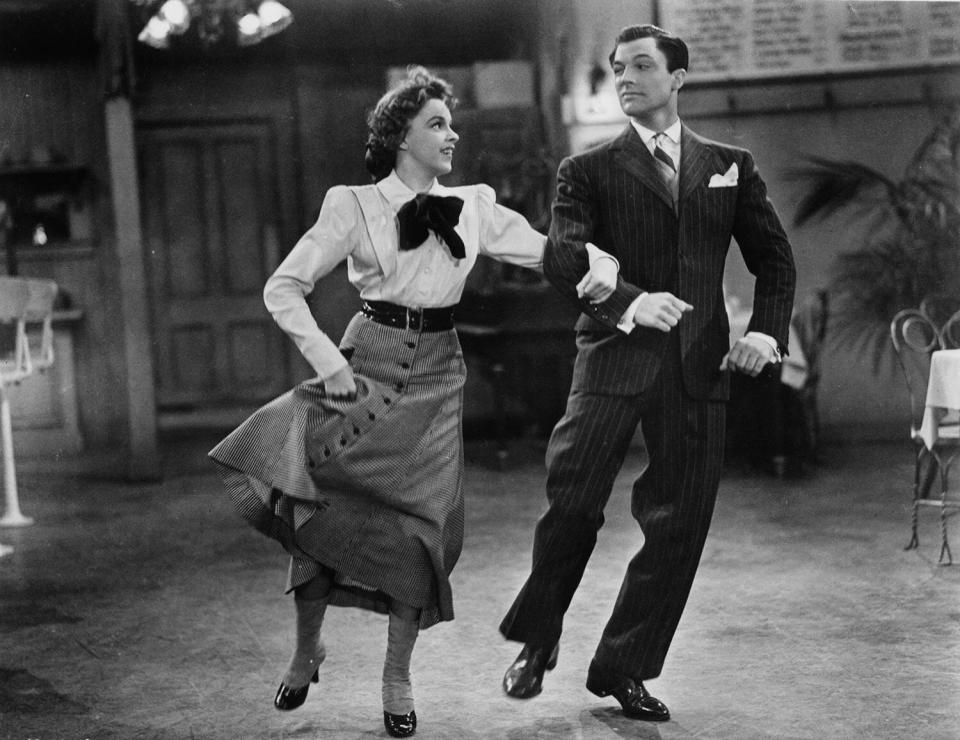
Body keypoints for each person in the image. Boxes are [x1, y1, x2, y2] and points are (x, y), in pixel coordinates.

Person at [208, 66, 619, 738]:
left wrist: (604, 267)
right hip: (363, 366)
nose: (452, 134)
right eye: (437, 123)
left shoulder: (474, 206)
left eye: (451, 124)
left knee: (422, 532)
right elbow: (282, 288)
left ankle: (396, 677)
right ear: (400, 135)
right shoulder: (352, 205)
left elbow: (552, 254)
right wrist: (328, 362)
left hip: (436, 379)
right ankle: (305, 649)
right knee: (317, 509)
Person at [498, 24, 796, 721]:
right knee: (572, 506)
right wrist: (632, 301)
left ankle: (624, 666)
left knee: (679, 526)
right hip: (610, 359)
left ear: (679, 77)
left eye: (639, 65)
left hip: (698, 372)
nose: (624, 77)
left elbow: (775, 262)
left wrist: (763, 333)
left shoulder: (731, 165)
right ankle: (537, 641)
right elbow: (563, 259)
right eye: (616, 67)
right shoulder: (587, 171)